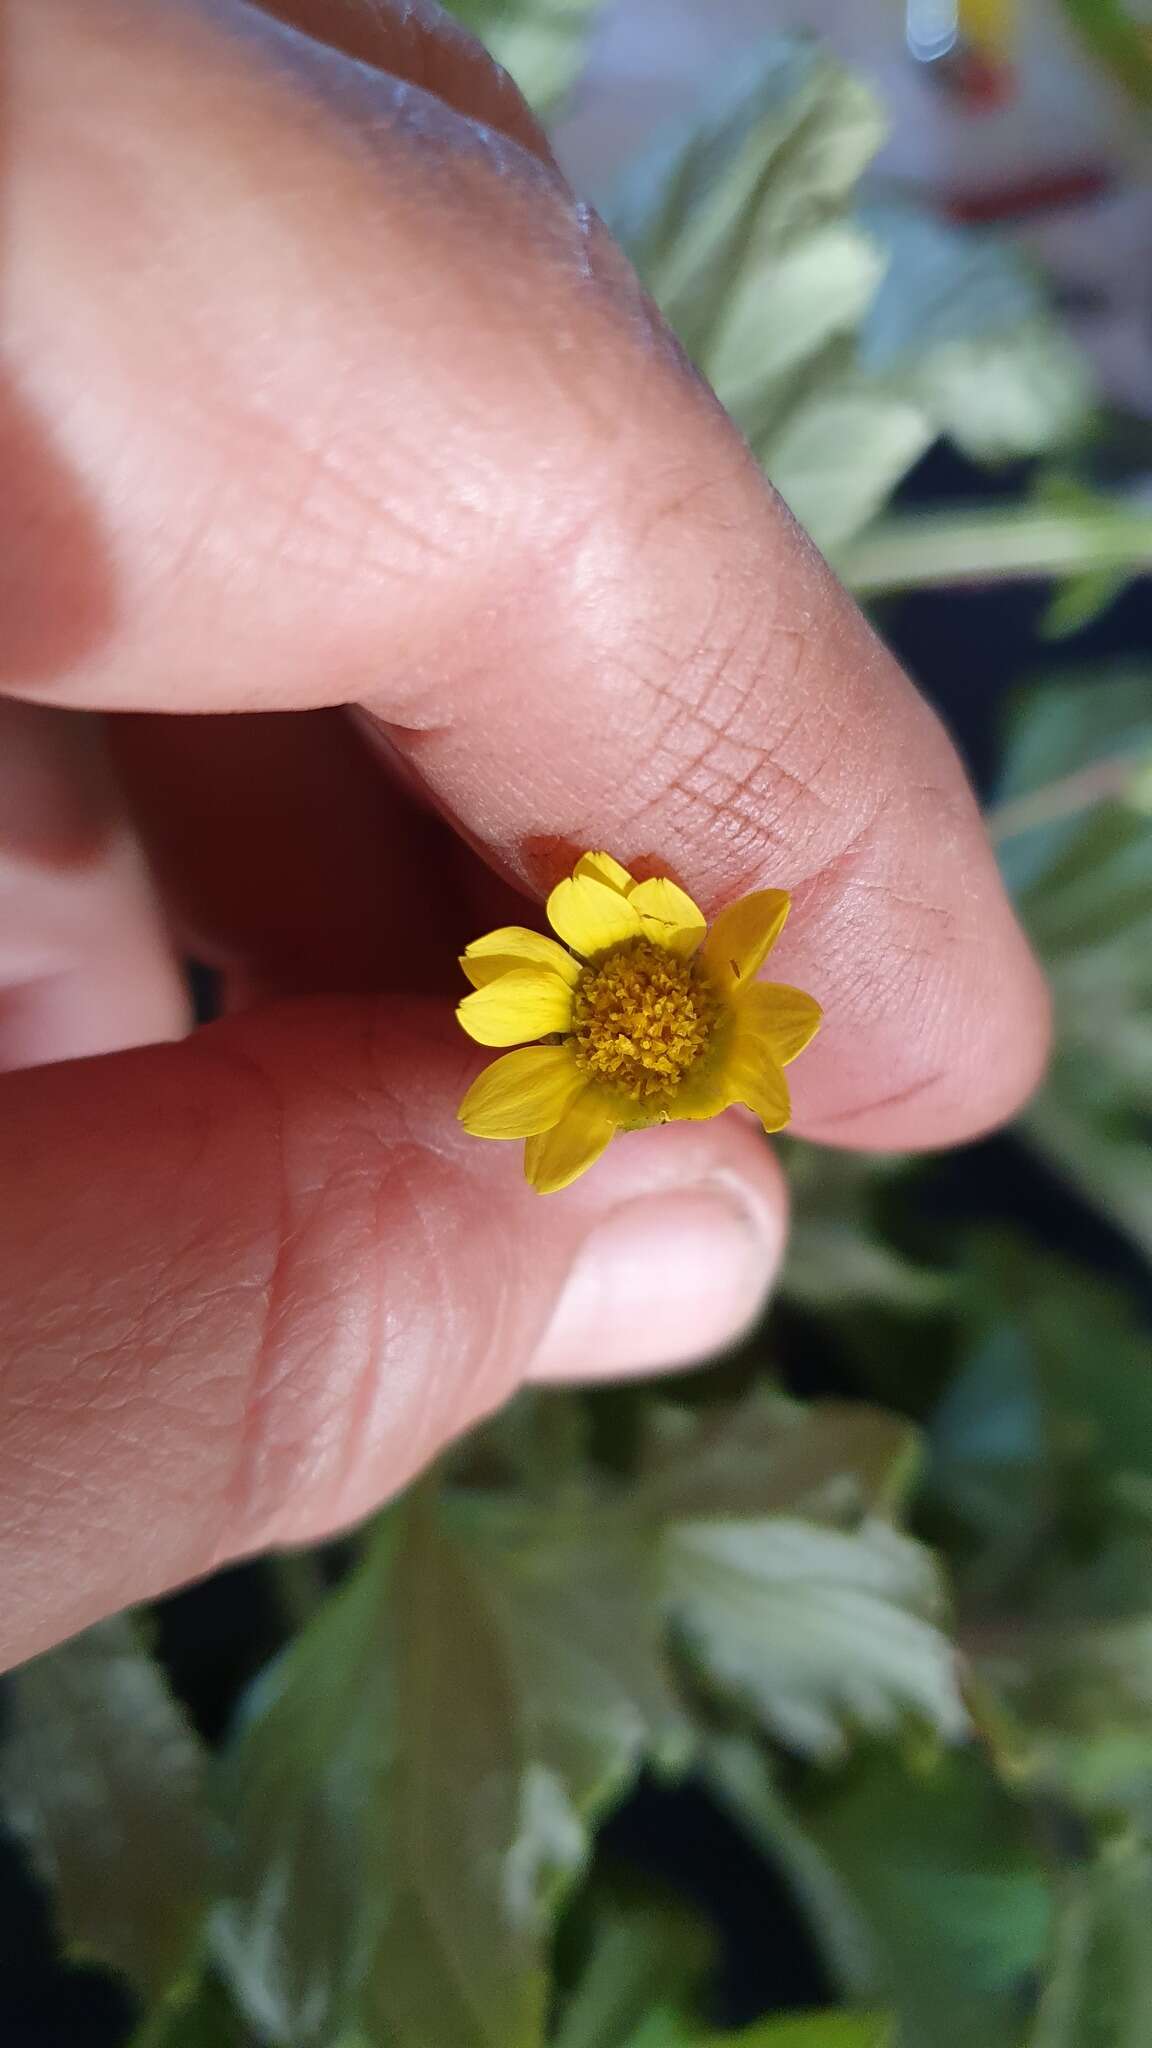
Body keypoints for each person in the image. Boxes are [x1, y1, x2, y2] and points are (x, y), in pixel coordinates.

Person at [0, 0, 1049, 1673]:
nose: (647, 1024)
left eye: (659, 1025)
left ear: (703, 1024)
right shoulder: (625, 1021)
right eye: (648, 1016)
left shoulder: (694, 1023)